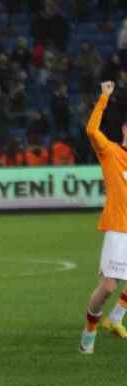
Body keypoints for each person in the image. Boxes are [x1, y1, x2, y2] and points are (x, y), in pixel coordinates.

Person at [80, 81, 127, 352]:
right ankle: (90, 330)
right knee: (108, 286)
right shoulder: (111, 152)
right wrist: (103, 98)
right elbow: (91, 130)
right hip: (119, 229)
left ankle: (116, 318)